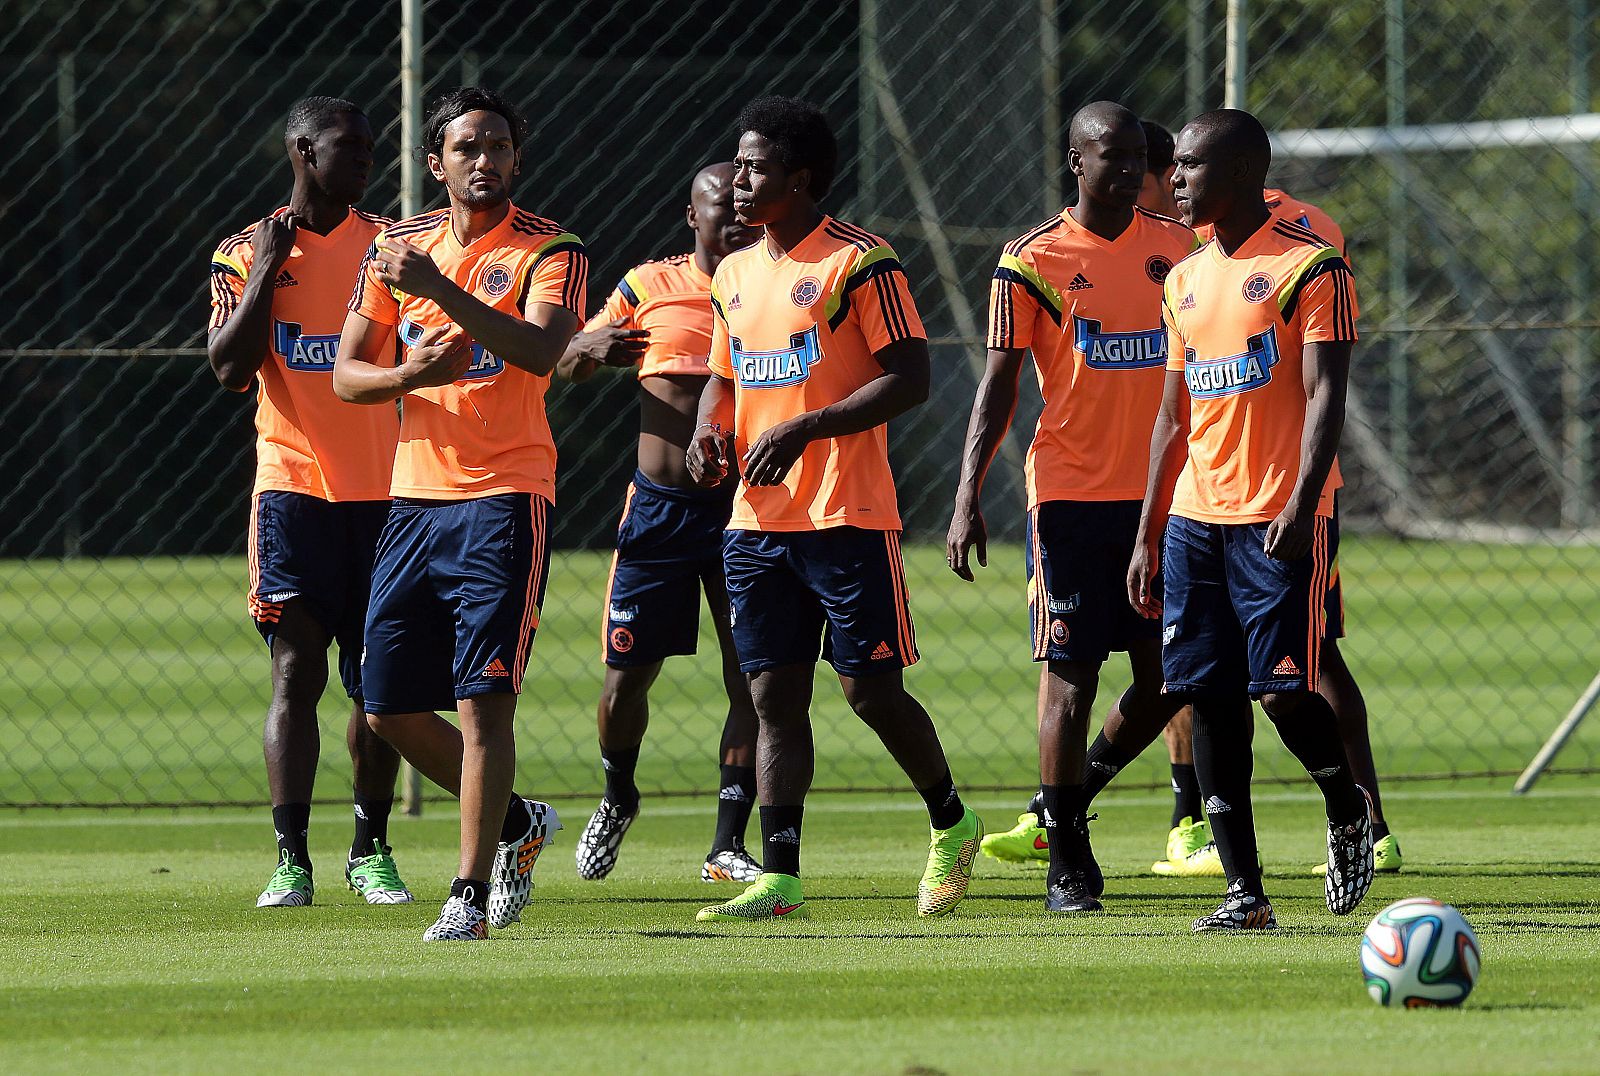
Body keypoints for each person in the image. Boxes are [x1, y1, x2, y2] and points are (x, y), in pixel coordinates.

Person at [687, 96, 983, 922]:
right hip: (756, 521)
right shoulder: (735, 271)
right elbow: (725, 374)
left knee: (869, 692)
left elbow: (911, 377)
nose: (738, 180)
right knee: (774, 696)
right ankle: (780, 878)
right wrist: (707, 430)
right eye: (738, 166)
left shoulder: (862, 263)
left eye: (754, 167)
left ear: (801, 176)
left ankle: (952, 822)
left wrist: (812, 424)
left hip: (847, 514)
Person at [334, 86, 584, 941]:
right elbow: (346, 376)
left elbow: (543, 350)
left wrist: (441, 287)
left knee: (484, 703)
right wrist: (412, 378)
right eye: (468, 147)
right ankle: (518, 822)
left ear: (518, 159)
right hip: (413, 501)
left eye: (500, 146)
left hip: (507, 497)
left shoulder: (551, 247)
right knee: (385, 707)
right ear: (434, 163)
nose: (487, 160)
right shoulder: (395, 247)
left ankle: (468, 896)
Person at [1128, 108, 1375, 931]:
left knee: (1280, 692)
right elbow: (1172, 415)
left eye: (1193, 166)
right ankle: (1246, 894)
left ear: (1237, 174)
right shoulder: (1183, 279)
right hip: (1197, 517)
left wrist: (1305, 500)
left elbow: (1324, 394)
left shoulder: (1313, 270)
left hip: (1277, 514)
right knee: (1206, 696)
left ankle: (1345, 804)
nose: (1177, 180)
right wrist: (1149, 527)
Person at [947, 102, 1192, 911]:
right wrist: (966, 496)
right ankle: (1068, 862)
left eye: (1135, 157)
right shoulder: (1031, 260)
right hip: (1072, 501)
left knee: (1171, 675)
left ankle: (1066, 800)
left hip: (1170, 499)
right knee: (1071, 677)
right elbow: (999, 385)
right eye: (1108, 156)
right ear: (1074, 163)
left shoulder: (1180, 250)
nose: (1126, 169)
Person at [207, 96, 410, 909]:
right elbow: (228, 367)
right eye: (345, 146)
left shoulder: (391, 247)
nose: (363, 158)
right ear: (300, 149)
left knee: (379, 687)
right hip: (292, 489)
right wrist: (266, 264)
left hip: (392, 496)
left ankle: (372, 849)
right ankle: (291, 859)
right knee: (296, 673)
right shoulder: (240, 251)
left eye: (368, 147)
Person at [559, 164, 763, 884]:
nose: (738, 217)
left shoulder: (771, 284)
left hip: (747, 511)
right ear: (691, 215)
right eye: (722, 206)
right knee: (623, 684)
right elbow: (568, 357)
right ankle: (618, 793)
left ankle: (727, 844)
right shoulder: (649, 284)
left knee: (756, 681)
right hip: (660, 512)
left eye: (747, 205)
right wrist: (587, 351)